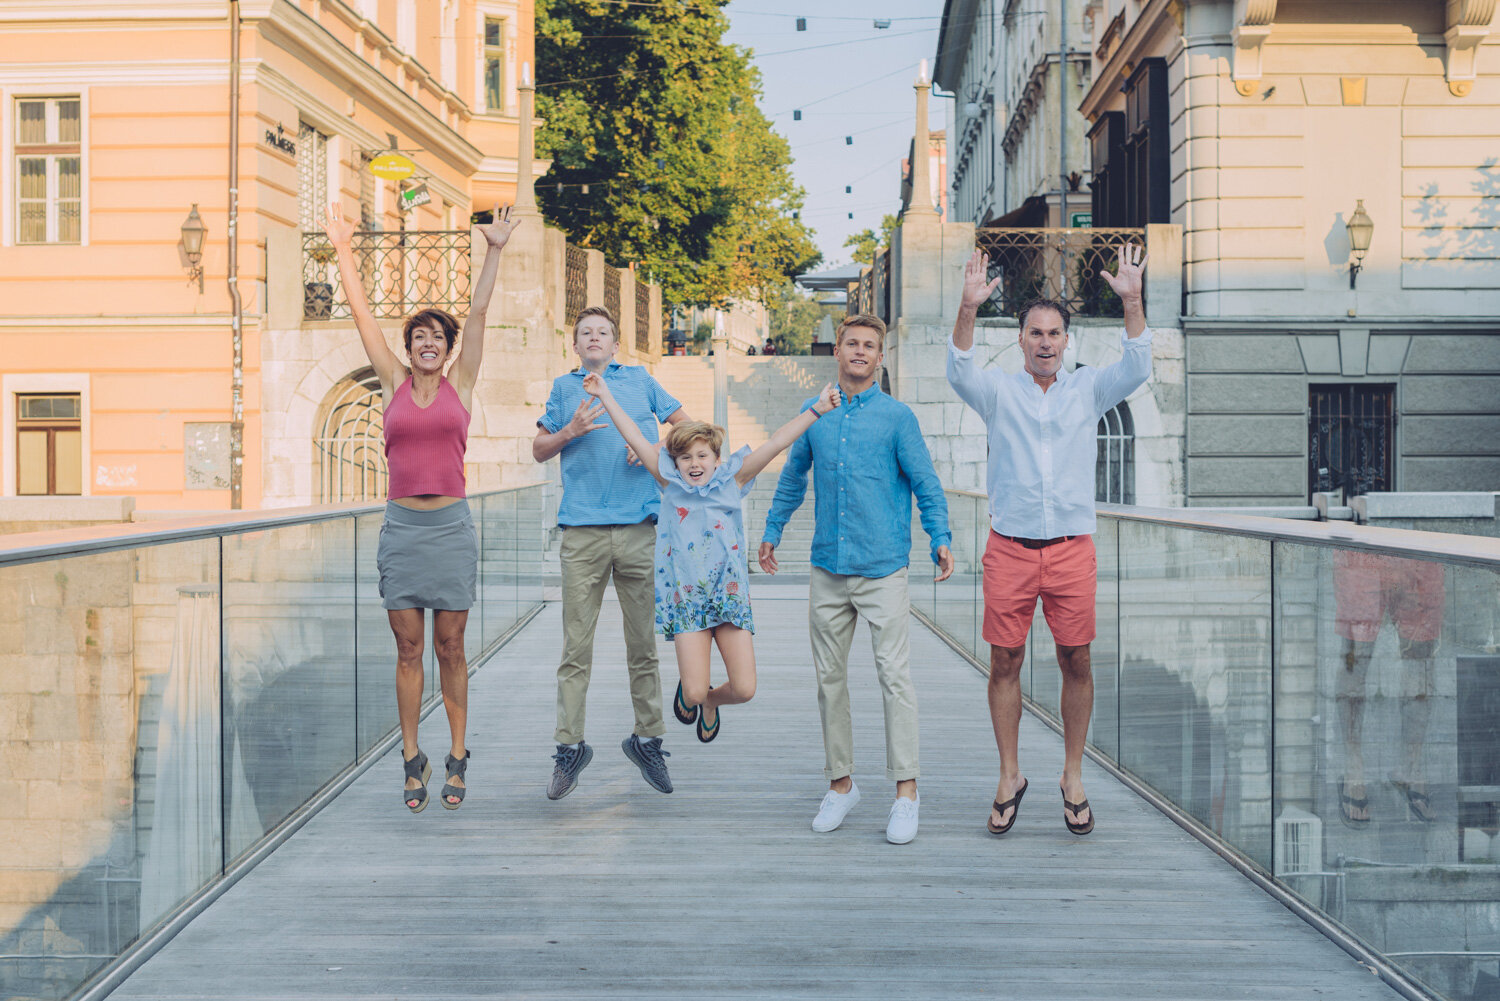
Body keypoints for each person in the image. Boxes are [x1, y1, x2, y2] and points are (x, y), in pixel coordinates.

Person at [323, 201, 520, 813]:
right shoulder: (391, 382)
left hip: (451, 527)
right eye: (419, 337)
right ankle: (412, 757)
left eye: (436, 336)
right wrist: (344, 250)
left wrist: (493, 249)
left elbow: (480, 311)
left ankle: (458, 754)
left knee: (451, 648)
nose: (427, 343)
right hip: (404, 528)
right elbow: (361, 317)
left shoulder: (461, 384)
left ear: (448, 346)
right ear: (408, 348)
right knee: (409, 649)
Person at [946, 245, 1151, 837]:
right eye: (1034, 332)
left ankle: (1072, 774)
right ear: (1019, 340)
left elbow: (1137, 367)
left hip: (1070, 549)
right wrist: (967, 306)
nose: (1044, 341)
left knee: (1076, 659)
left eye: (1054, 333)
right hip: (1009, 547)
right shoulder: (999, 394)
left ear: (1067, 341)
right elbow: (958, 368)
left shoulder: (1087, 391)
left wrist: (1132, 301)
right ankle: (1009, 775)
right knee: (1004, 660)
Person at [760, 314, 954, 845]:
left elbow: (925, 482)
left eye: (870, 345)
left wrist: (940, 536)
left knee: (895, 678)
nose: (861, 352)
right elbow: (792, 476)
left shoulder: (897, 418)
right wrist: (773, 529)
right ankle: (841, 785)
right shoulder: (815, 414)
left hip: (883, 567)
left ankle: (906, 794)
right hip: (827, 567)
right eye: (852, 343)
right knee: (829, 681)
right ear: (838, 351)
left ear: (881, 356)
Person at [583, 373, 842, 743]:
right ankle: (699, 698)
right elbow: (635, 437)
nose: (694, 463)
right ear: (675, 462)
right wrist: (604, 393)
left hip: (729, 598)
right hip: (687, 602)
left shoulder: (733, 481)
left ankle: (712, 703)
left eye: (702, 455)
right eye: (685, 457)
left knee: (745, 688)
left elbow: (777, 442)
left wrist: (816, 409)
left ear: (717, 459)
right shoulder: (669, 484)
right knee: (691, 692)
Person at [534, 306, 690, 799]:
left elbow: (688, 427)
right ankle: (569, 748)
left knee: (643, 645)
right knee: (575, 650)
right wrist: (569, 432)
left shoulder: (641, 380)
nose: (594, 338)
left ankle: (647, 740)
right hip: (582, 533)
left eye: (603, 332)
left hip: (641, 529)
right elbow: (539, 448)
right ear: (575, 345)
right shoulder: (564, 388)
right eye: (586, 333)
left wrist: (654, 446)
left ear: (616, 344)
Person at [1332, 550, 1444, 826]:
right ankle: (1353, 766)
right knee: (1356, 654)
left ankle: (1410, 764)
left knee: (1421, 655)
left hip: (1419, 542)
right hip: (1363, 546)